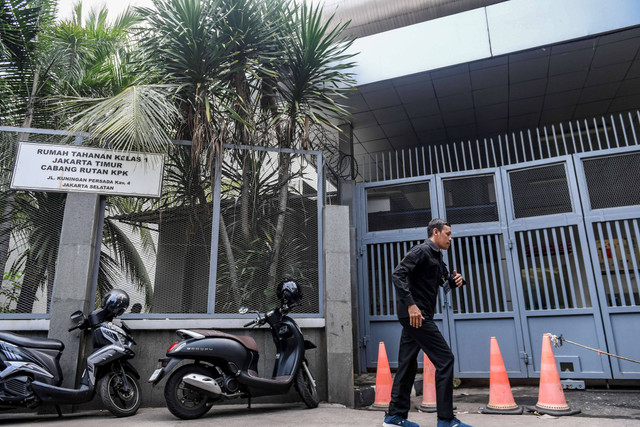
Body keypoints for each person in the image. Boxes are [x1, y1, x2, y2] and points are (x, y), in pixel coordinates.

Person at [383, 219, 472, 427]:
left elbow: (443, 284)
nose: (451, 238)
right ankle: (446, 419)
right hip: (416, 315)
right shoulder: (421, 251)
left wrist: (455, 282)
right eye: (448, 234)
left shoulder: (437, 258)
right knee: (445, 359)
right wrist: (411, 305)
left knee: (407, 365)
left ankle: (394, 418)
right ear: (436, 232)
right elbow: (398, 274)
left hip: (417, 316)